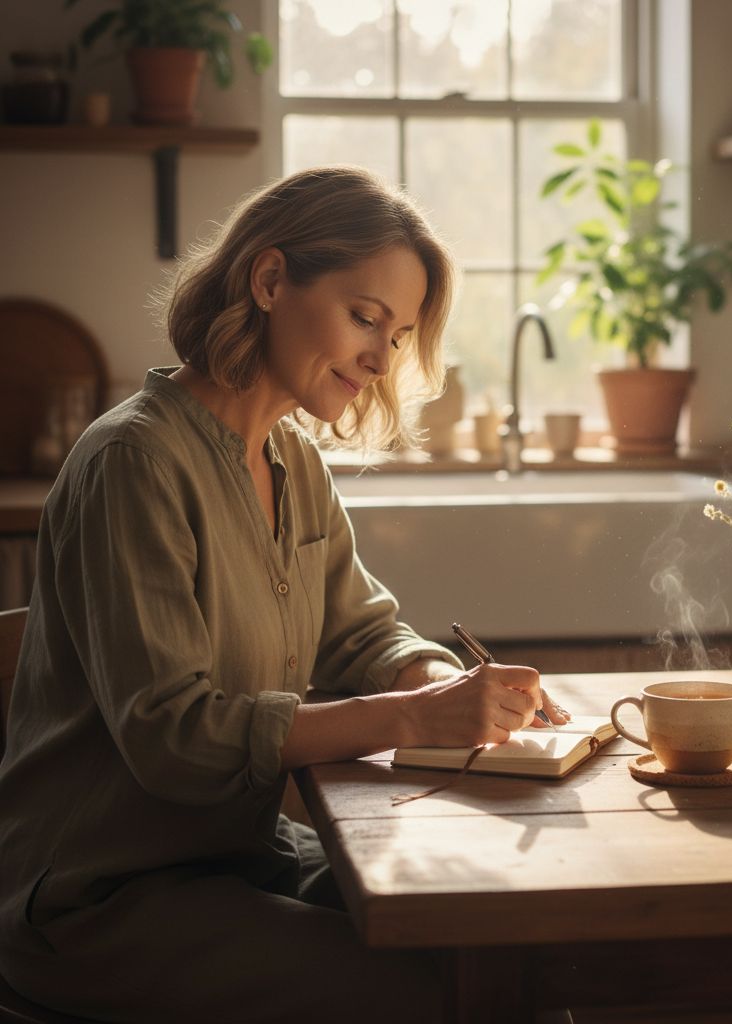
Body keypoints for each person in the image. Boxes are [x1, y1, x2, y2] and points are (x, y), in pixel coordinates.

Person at [0, 165, 570, 1022]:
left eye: (400, 334)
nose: (381, 358)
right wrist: (413, 719)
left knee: (513, 961)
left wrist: (434, 681)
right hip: (100, 900)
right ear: (269, 280)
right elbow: (172, 735)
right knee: (452, 996)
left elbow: (361, 633)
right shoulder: (132, 462)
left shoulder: (291, 458)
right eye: (365, 318)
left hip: (241, 855)